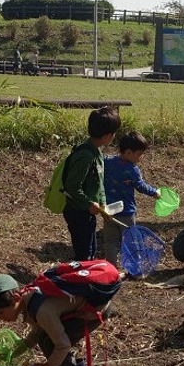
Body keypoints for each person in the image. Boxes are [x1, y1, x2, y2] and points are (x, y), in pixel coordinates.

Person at [62, 106, 121, 260]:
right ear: (108, 136)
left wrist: (102, 204)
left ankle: (85, 278)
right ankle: (80, 281)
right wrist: (89, 203)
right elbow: (72, 186)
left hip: (88, 212)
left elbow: (99, 182)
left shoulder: (97, 151)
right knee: (84, 254)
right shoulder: (86, 155)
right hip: (78, 212)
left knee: (91, 250)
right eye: (114, 133)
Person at [102, 131, 162, 271]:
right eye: (140, 154)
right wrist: (154, 192)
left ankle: (111, 268)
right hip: (127, 212)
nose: (141, 157)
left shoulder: (107, 162)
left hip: (108, 210)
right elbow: (140, 186)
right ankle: (135, 268)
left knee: (110, 241)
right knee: (131, 241)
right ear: (129, 152)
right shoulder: (132, 170)